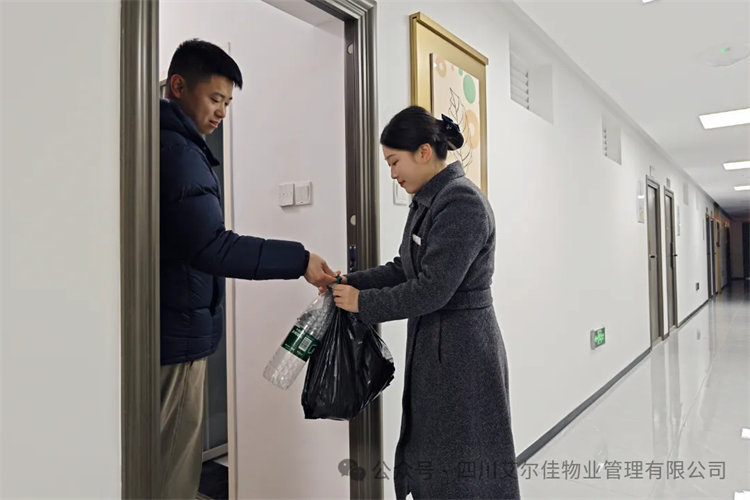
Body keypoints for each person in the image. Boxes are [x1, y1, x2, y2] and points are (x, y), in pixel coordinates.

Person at [159, 39, 337, 499]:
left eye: (228, 103)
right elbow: (212, 247)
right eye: (215, 99)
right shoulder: (177, 151)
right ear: (178, 86)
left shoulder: (177, 145)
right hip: (176, 337)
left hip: (177, 329)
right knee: (170, 472)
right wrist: (300, 260)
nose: (222, 112)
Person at [332, 106, 520, 499]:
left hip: (464, 350)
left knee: (465, 463)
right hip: (437, 344)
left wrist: (362, 303)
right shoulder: (428, 199)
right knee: (439, 455)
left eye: (394, 162)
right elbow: (405, 268)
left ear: (423, 152)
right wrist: (349, 282)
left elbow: (433, 288)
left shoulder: (462, 202)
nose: (392, 174)